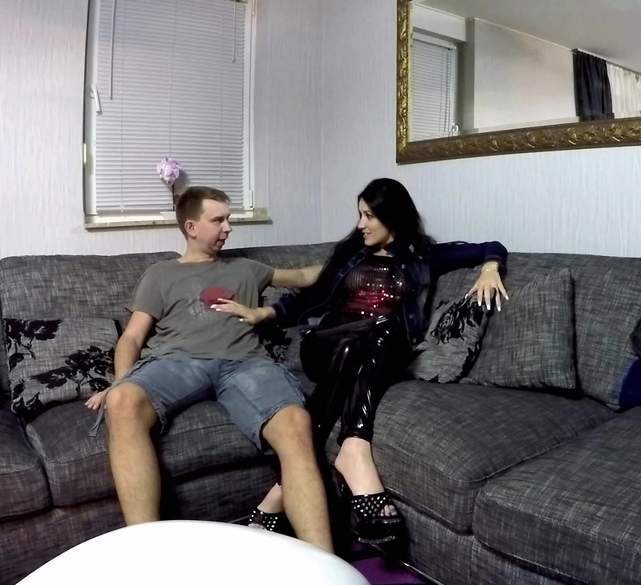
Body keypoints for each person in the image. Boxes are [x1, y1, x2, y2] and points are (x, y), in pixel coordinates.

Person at [211, 177, 508, 556]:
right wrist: (263, 313)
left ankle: (291, 485)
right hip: (325, 346)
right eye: (360, 215)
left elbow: (491, 247)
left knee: (380, 332)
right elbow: (311, 297)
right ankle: (354, 451)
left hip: (379, 349)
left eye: (369, 216)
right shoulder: (350, 254)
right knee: (372, 333)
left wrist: (490, 269)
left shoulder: (423, 256)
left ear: (392, 217)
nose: (361, 224)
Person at [84, 186, 332, 552]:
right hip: (177, 361)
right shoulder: (161, 274)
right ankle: (146, 554)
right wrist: (121, 381)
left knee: (296, 421)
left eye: (229, 219)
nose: (228, 227)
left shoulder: (247, 268)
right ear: (191, 227)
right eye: (218, 220)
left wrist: (357, 256)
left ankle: (326, 564)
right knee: (121, 402)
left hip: (245, 363)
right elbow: (132, 338)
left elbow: (305, 276)